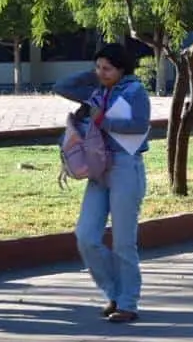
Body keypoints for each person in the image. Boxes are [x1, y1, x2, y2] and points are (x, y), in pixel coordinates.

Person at [54, 43, 151, 322]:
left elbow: (140, 126)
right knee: (85, 236)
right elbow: (62, 86)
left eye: (107, 68)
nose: (101, 73)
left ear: (122, 69)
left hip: (125, 166)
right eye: (98, 67)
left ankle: (127, 303)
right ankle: (114, 291)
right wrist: (95, 73)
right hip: (98, 167)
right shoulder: (97, 89)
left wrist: (103, 120)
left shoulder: (134, 91)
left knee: (123, 242)